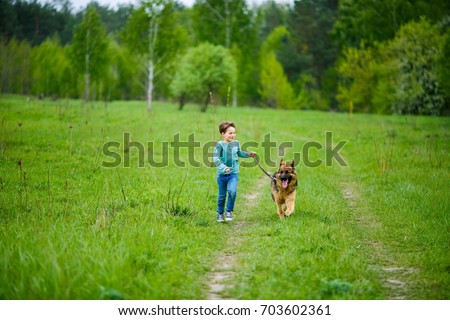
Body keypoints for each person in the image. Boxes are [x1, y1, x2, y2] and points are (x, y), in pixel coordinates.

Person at [213, 121, 256, 222]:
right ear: (223, 134)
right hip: (222, 175)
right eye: (230, 133)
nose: (232, 135)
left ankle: (228, 211)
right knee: (222, 196)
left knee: (232, 192)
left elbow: (239, 153)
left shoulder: (236, 143)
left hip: (233, 173)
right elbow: (216, 159)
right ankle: (220, 213)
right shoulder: (219, 145)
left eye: (234, 133)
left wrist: (248, 154)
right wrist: (224, 168)